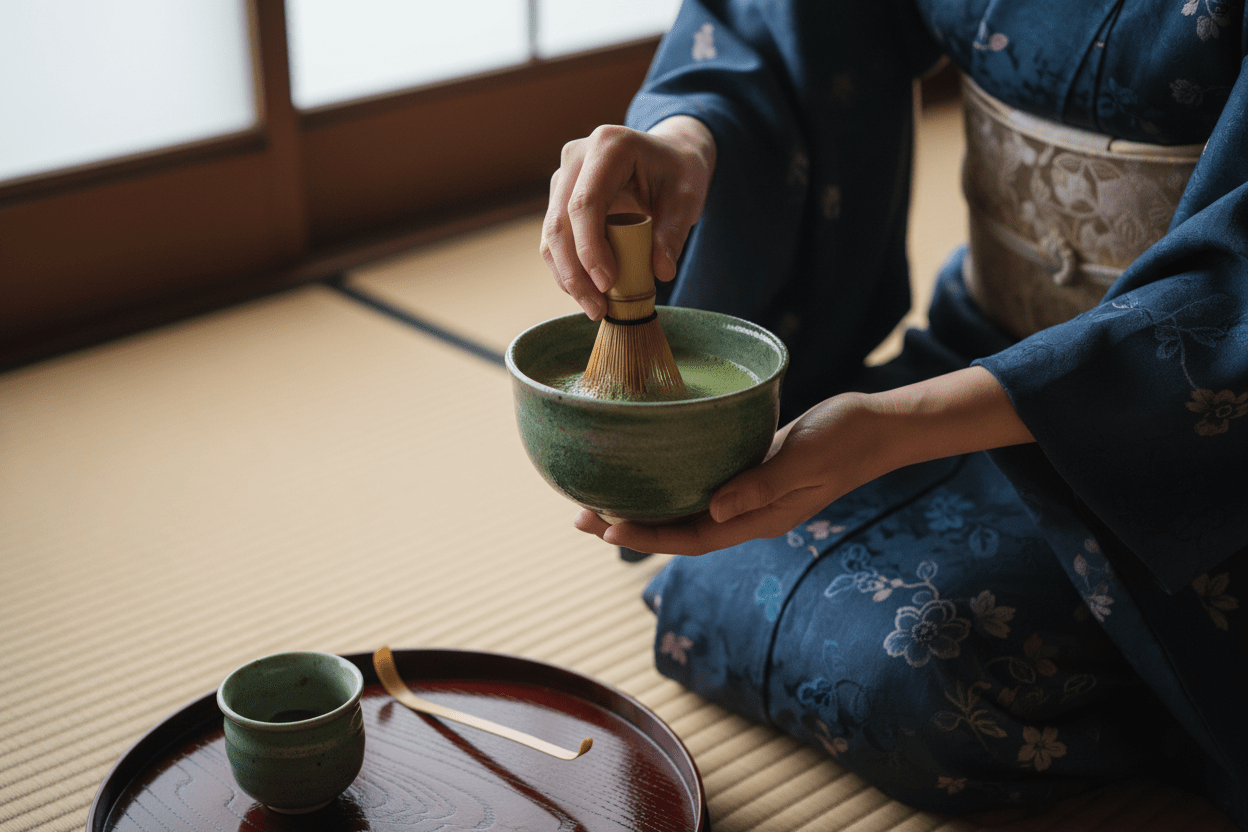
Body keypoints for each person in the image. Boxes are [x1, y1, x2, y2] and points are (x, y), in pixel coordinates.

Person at [541, 0, 1248, 825]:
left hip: (1180, 403)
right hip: (981, 337)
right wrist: (694, 136)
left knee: (915, 669)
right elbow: (793, 22)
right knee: (713, 578)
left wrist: (893, 429)